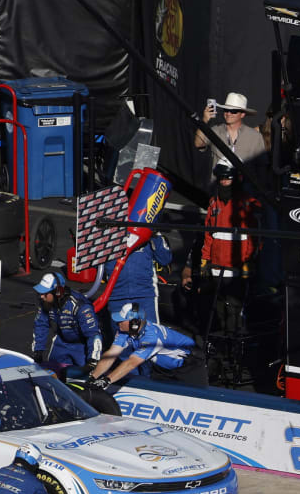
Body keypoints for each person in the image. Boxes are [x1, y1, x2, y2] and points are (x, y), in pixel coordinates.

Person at [181, 163, 261, 337]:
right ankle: (216, 347)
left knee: (234, 311)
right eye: (221, 179)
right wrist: (204, 261)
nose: (224, 182)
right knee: (215, 311)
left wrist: (249, 261)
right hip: (215, 268)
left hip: (237, 270)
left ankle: (234, 346)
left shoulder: (247, 204)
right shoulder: (214, 203)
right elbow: (209, 235)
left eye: (228, 178)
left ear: (236, 179)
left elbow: (255, 237)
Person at [89, 304, 197, 388]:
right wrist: (93, 377)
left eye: (122, 320)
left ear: (134, 323)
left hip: (189, 365)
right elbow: (111, 354)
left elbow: (132, 363)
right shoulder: (124, 331)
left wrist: (107, 380)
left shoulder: (152, 337)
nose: (118, 323)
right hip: (164, 369)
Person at [101, 231, 172, 340]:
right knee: (120, 341)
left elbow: (165, 259)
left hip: (146, 294)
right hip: (116, 295)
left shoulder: (151, 231)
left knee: (151, 338)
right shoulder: (107, 230)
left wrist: (154, 236)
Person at [31, 272, 103, 371]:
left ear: (57, 292)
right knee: (52, 375)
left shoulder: (80, 306)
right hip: (61, 343)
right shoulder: (46, 303)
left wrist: (93, 360)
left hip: (81, 346)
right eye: (40, 293)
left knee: (82, 378)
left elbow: (93, 334)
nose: (41, 296)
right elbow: (40, 324)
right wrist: (38, 350)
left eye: (45, 293)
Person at [192, 92, 265, 178]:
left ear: (242, 114)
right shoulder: (215, 131)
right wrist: (204, 121)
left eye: (233, 111)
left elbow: (262, 166)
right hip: (218, 187)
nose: (228, 113)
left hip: (243, 188)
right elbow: (198, 144)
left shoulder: (255, 137)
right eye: (226, 110)